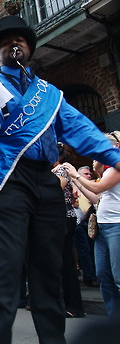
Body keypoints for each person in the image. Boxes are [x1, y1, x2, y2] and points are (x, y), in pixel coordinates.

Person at [0, 15, 120, 343]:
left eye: (20, 39)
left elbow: (80, 129)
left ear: (30, 48)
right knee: (6, 267)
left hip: (45, 180)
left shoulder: (49, 94)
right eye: (7, 40)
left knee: (49, 273)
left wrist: (116, 158)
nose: (15, 44)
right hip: (4, 178)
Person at [64, 130, 120, 319]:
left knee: (118, 276)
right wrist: (77, 181)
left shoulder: (117, 167)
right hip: (103, 227)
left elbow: (98, 187)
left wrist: (74, 174)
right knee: (104, 276)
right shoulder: (106, 170)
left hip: (116, 226)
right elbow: (96, 198)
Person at [53, 143, 85, 318]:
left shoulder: (62, 169)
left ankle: (73, 305)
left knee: (66, 263)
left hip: (65, 217)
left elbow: (55, 188)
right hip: (60, 217)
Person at [73, 166, 99, 287]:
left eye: (89, 174)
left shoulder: (93, 185)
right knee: (84, 250)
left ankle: (94, 275)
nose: (89, 176)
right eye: (86, 174)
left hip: (91, 221)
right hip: (78, 221)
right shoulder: (73, 183)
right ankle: (90, 277)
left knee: (93, 249)